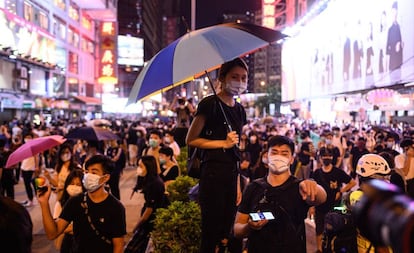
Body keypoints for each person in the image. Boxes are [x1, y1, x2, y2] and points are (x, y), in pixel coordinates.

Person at [186, 57, 248, 253]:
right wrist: (222, 143)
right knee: (210, 230)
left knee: (228, 230)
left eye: (244, 78)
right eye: (235, 76)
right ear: (222, 77)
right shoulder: (209, 104)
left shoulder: (239, 109)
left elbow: (236, 151)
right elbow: (191, 138)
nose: (239, 81)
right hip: (212, 174)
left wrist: (238, 182)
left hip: (232, 174)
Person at [233, 135, 327, 253]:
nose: (279, 157)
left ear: (291, 159)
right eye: (275, 152)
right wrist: (249, 227)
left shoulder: (299, 187)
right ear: (267, 156)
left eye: (284, 153)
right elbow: (237, 229)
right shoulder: (254, 187)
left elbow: (321, 197)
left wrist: (313, 186)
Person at [38, 154, 126, 253]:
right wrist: (44, 203)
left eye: (94, 172)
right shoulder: (75, 202)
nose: (88, 176)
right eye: (87, 172)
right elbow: (52, 234)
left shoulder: (116, 207)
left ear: (105, 178)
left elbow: (118, 246)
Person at [310, 147, 356, 253]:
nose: (327, 158)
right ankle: (319, 249)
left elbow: (352, 182)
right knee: (319, 229)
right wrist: (312, 207)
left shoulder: (338, 172)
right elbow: (312, 191)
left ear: (332, 157)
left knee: (335, 228)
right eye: (324, 156)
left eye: (329, 156)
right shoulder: (316, 173)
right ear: (320, 158)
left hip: (335, 206)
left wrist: (341, 191)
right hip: (320, 206)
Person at [128, 156, 168, 253]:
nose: (139, 169)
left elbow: (149, 211)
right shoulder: (150, 180)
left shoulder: (154, 184)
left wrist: (137, 225)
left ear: (148, 167)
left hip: (151, 222)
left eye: (141, 166)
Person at [53, 169, 84, 252]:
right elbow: (56, 227)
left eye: (78, 185)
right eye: (72, 184)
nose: (74, 187)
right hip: (67, 243)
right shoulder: (60, 204)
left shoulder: (86, 203)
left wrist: (69, 227)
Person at [20, 133, 40, 207]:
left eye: (29, 137)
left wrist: (37, 167)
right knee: (27, 185)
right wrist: (21, 169)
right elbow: (22, 158)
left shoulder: (34, 147)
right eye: (26, 137)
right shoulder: (23, 147)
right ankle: (30, 199)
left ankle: (38, 197)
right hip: (24, 168)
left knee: (35, 184)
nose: (27, 139)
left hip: (31, 168)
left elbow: (37, 157)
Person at [386, 1, 403, 83]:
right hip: (392, 64)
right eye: (393, 12)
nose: (394, 14)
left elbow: (401, 43)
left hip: (399, 62)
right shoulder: (390, 30)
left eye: (395, 12)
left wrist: (401, 44)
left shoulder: (399, 27)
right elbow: (388, 49)